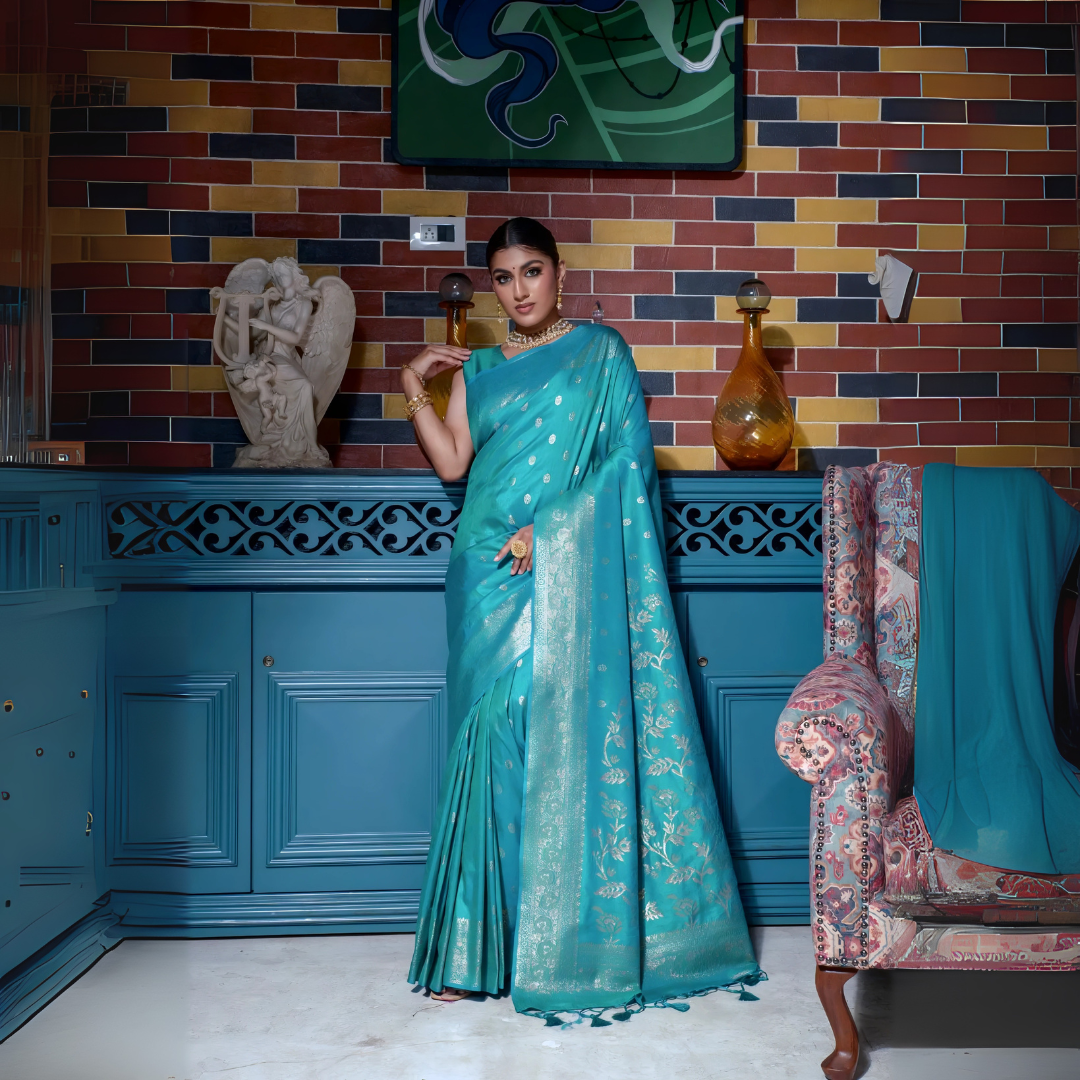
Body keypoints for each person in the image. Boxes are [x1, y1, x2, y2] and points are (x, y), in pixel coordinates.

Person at [403, 217, 762, 1021]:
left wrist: (555, 527)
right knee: (485, 747)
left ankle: (557, 936)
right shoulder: (482, 370)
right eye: (503, 277)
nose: (519, 290)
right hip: (484, 573)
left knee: (550, 733)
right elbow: (455, 463)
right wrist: (411, 389)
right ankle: (476, 950)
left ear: (559, 274)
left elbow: (628, 467)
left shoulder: (602, 354)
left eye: (532, 271)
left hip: (558, 562)